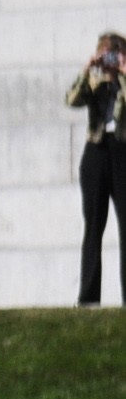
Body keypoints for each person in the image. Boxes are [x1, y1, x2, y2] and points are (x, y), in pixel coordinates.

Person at [69, 32, 126, 304]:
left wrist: (124, 73)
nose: (110, 59)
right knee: (93, 226)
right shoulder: (93, 80)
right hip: (96, 152)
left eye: (115, 53)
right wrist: (88, 68)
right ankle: (89, 298)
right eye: (106, 53)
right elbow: (72, 100)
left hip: (123, 152)